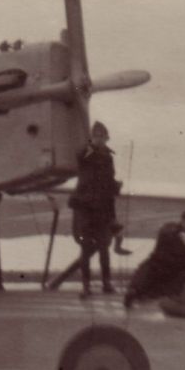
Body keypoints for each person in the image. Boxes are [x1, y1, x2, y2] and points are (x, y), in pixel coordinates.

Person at [68, 121, 123, 296]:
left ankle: (106, 283)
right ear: (91, 138)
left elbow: (109, 181)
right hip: (85, 208)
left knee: (104, 247)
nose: (99, 139)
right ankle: (86, 286)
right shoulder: (86, 152)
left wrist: (115, 186)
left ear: (107, 138)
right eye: (96, 136)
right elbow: (81, 156)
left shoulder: (108, 157)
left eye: (102, 136)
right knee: (85, 247)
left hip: (103, 209)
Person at [124, 209, 185, 307]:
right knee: (145, 272)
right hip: (157, 268)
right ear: (183, 222)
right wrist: (179, 232)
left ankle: (148, 295)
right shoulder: (170, 228)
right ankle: (134, 292)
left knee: (181, 279)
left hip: (173, 273)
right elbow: (165, 231)